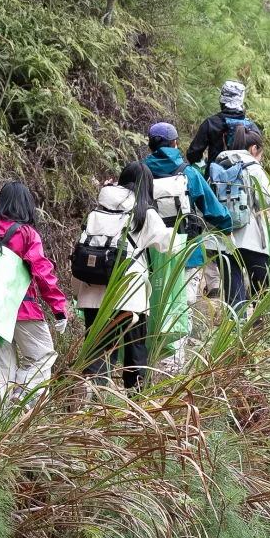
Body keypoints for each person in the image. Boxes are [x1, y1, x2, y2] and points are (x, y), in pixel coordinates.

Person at [71, 159, 172, 391]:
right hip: (128, 293)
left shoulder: (97, 211)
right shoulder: (143, 213)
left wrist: (77, 293)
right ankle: (136, 399)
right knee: (135, 347)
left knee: (97, 345)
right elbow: (167, 244)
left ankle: (90, 390)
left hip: (92, 291)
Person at [0, 182, 68, 403]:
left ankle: (3, 423)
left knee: (0, 369)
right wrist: (59, 309)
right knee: (43, 355)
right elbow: (42, 272)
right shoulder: (27, 234)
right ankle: (23, 394)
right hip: (22, 307)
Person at [145, 122, 233, 329]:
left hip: (150, 254)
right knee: (183, 310)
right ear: (175, 144)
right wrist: (227, 229)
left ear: (150, 145)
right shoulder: (189, 173)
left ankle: (153, 355)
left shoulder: (140, 174)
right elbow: (214, 210)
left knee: (152, 307)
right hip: (188, 251)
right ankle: (176, 358)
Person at [219, 123, 270, 309]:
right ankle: (260, 331)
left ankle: (235, 332)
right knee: (261, 292)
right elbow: (267, 202)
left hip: (225, 240)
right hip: (252, 240)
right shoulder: (254, 168)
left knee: (234, 295)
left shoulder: (219, 166)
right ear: (254, 149)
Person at [186, 80, 249, 168]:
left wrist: (203, 165)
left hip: (215, 178)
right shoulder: (251, 126)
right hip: (245, 178)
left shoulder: (211, 123)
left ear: (222, 100)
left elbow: (193, 153)